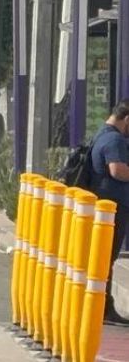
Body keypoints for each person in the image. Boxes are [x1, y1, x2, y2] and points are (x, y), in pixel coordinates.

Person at [91, 100, 129, 323]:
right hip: (112, 208)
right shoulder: (114, 139)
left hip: (105, 206)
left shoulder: (101, 134)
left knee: (103, 257)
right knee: (107, 257)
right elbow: (117, 170)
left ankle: (103, 305)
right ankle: (105, 307)